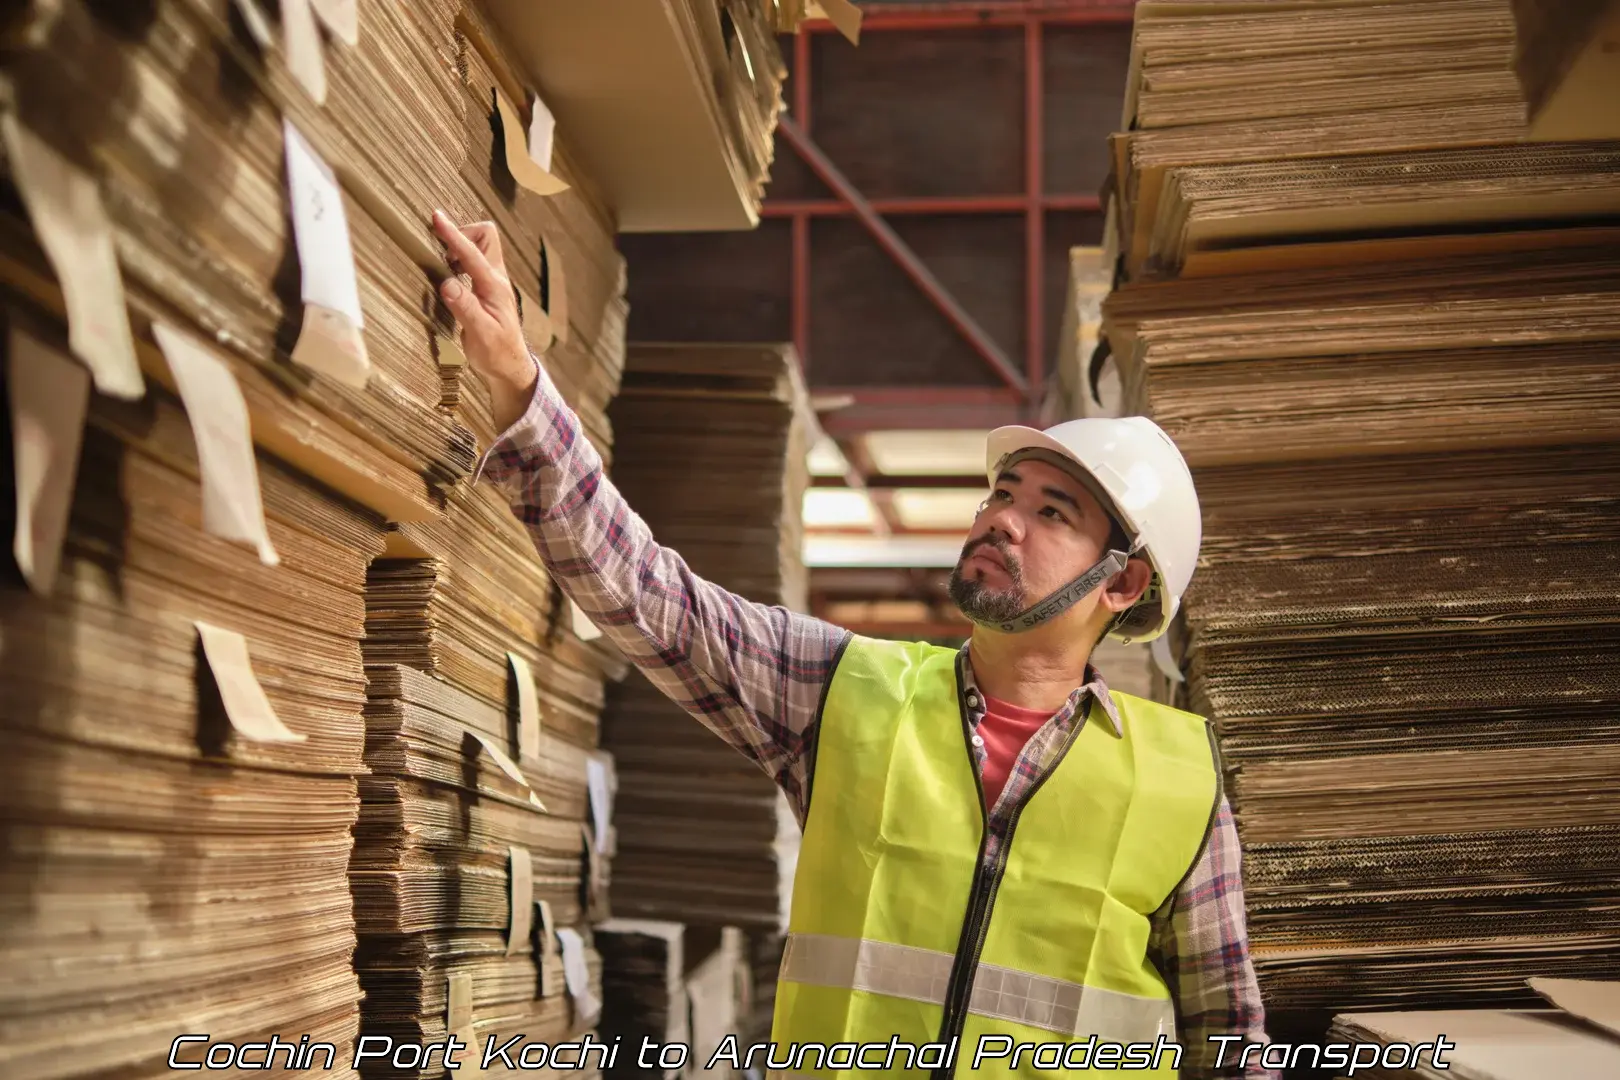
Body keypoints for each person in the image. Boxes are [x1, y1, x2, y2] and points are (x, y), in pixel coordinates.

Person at [430, 211, 1279, 1079]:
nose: (1001, 521)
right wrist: (517, 383)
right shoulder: (848, 690)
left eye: (1050, 513)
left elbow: (1229, 1040)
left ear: (1123, 585)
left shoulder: (1178, 781)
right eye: (1002, 494)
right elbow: (652, 596)